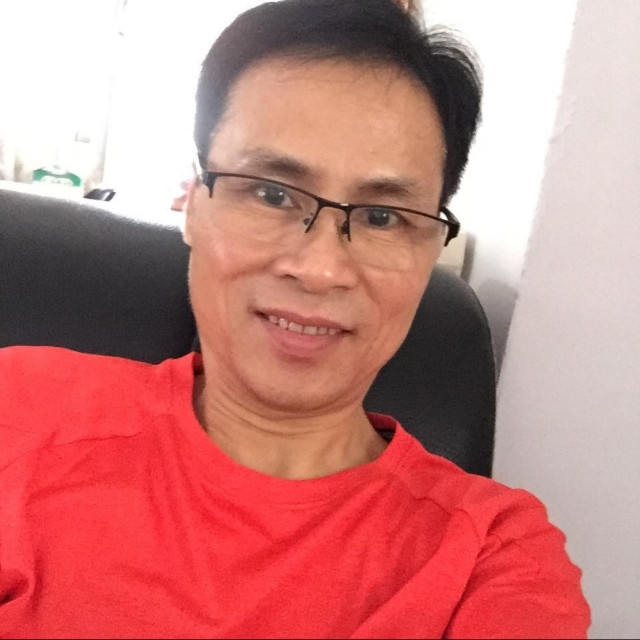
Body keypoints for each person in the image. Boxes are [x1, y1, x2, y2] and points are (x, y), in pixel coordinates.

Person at [0, 0, 590, 637]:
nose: (320, 269)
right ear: (194, 206)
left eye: (383, 217)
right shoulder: (21, 409)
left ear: (430, 253)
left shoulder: (491, 556)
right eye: (272, 193)